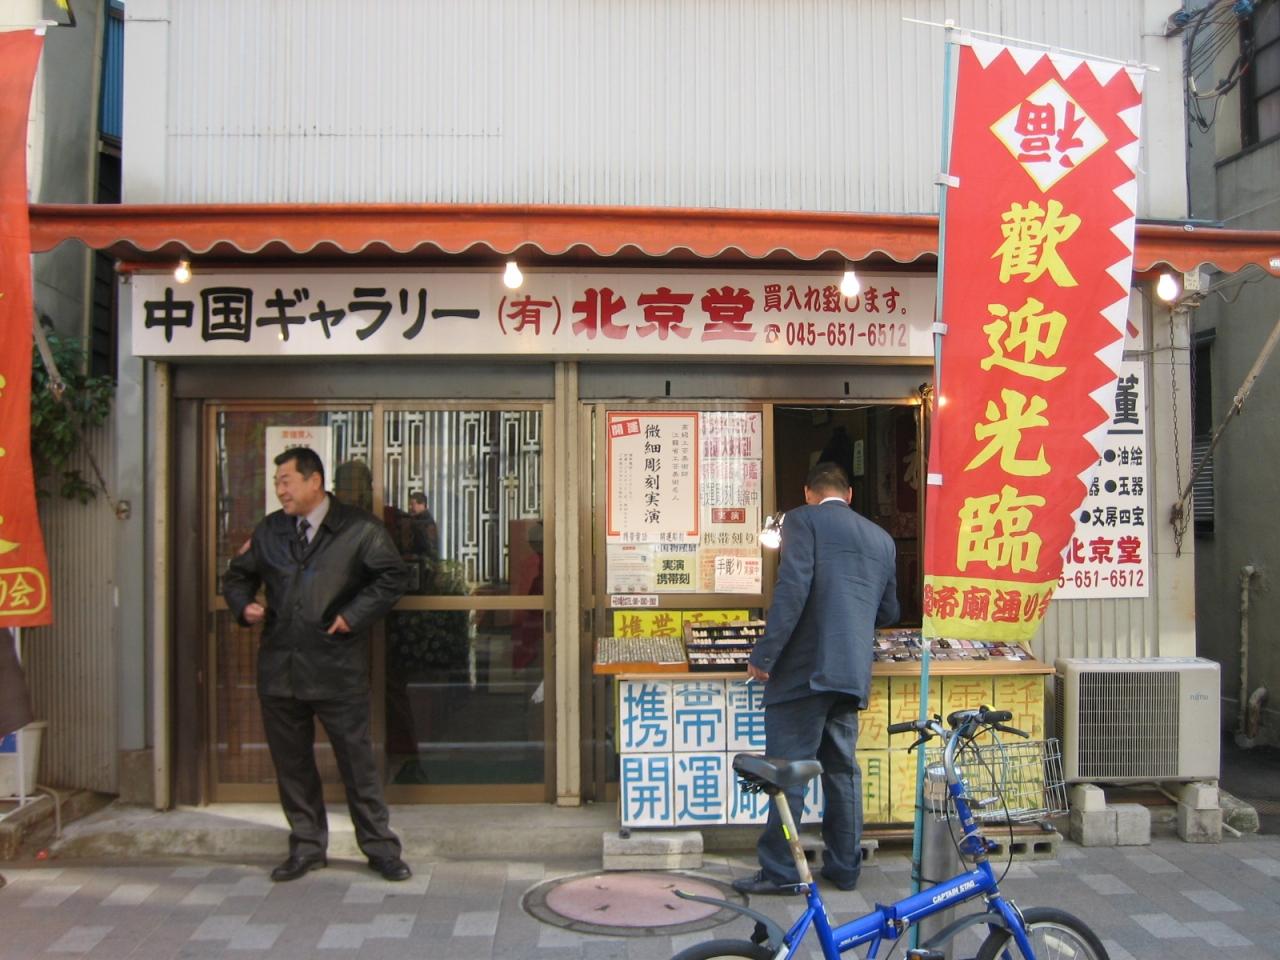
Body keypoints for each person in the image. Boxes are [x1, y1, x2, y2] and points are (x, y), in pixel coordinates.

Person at [223, 447, 411, 883]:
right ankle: (307, 847)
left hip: (336, 668)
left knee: (357, 765)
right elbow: (237, 575)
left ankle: (380, 849)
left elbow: (393, 576)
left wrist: (353, 615)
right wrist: (244, 605)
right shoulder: (270, 530)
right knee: (292, 766)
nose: (280, 490)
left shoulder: (359, 529)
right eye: (277, 482)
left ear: (315, 481)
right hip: (280, 669)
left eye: (286, 481)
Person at [734, 461, 899, 895]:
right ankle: (845, 869)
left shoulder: (801, 520)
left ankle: (781, 872)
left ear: (809, 493)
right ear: (849, 495)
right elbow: (889, 611)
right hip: (849, 674)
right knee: (842, 773)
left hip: (803, 673)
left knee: (786, 773)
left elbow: (793, 588)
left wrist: (764, 654)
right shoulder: (881, 539)